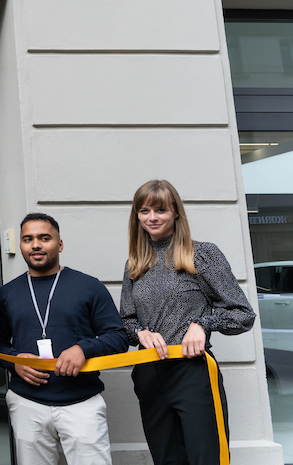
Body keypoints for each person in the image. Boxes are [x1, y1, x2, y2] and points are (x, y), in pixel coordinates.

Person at [120, 179, 255, 465]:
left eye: (160, 210)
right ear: (137, 216)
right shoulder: (135, 263)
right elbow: (126, 322)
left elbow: (243, 314)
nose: (152, 218)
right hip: (149, 373)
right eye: (144, 211)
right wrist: (140, 332)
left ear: (176, 212)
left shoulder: (202, 254)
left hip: (192, 371)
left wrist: (202, 323)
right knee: (166, 459)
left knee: (206, 458)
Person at [0, 213, 128, 465]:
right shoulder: (7, 293)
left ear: (60, 244)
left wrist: (83, 349)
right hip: (27, 403)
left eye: (45, 238)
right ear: (21, 245)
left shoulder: (89, 286)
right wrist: (13, 360)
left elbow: (119, 338)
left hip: (82, 402)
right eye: (28, 239)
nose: (36, 245)